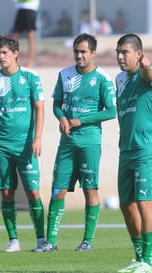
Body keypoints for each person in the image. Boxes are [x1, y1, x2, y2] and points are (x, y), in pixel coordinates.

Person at [34, 33, 117, 252]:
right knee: (58, 190)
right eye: (76, 52)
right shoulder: (65, 74)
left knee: (90, 190)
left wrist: (82, 120)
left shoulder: (102, 78)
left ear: (93, 53)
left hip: (89, 142)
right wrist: (61, 117)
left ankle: (87, 241)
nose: (79, 56)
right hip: (67, 143)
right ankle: (50, 242)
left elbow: (111, 111)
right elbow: (57, 104)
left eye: (83, 52)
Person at [0, 35, 45, 252]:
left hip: (26, 145)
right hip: (2, 145)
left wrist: (37, 137)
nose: (0, 56)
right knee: (6, 192)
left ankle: (41, 239)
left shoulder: (31, 77)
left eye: (4, 52)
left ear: (15, 53)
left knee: (33, 192)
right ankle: (13, 239)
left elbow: (39, 107)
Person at [115, 34, 152, 273]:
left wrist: (147, 67)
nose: (120, 56)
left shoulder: (145, 73)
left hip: (144, 150)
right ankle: (139, 258)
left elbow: (149, 75)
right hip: (125, 149)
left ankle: (149, 260)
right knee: (126, 204)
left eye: (125, 52)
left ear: (138, 54)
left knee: (144, 203)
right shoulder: (119, 79)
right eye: (118, 52)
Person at [12, 0, 39, 68]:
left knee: (31, 36)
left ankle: (30, 61)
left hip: (31, 9)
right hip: (20, 10)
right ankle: (12, 60)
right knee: (15, 37)